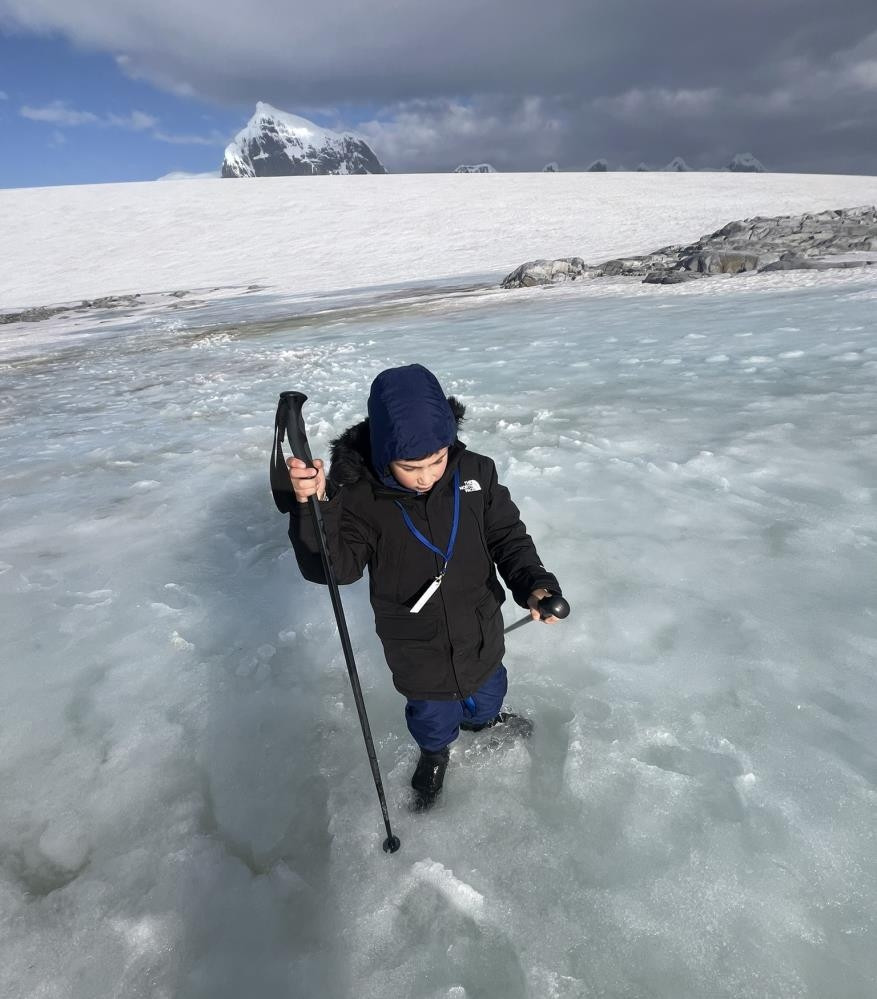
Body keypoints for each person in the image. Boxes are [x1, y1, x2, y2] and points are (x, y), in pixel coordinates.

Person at [282, 364, 563, 810]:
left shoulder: (476, 473)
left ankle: (485, 723)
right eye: (411, 466)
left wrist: (536, 586)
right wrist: (315, 508)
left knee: (488, 691)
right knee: (432, 716)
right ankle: (435, 753)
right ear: (382, 453)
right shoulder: (357, 496)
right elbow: (336, 570)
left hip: (479, 627)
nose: (428, 475)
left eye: (437, 459)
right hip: (416, 643)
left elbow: (507, 538)